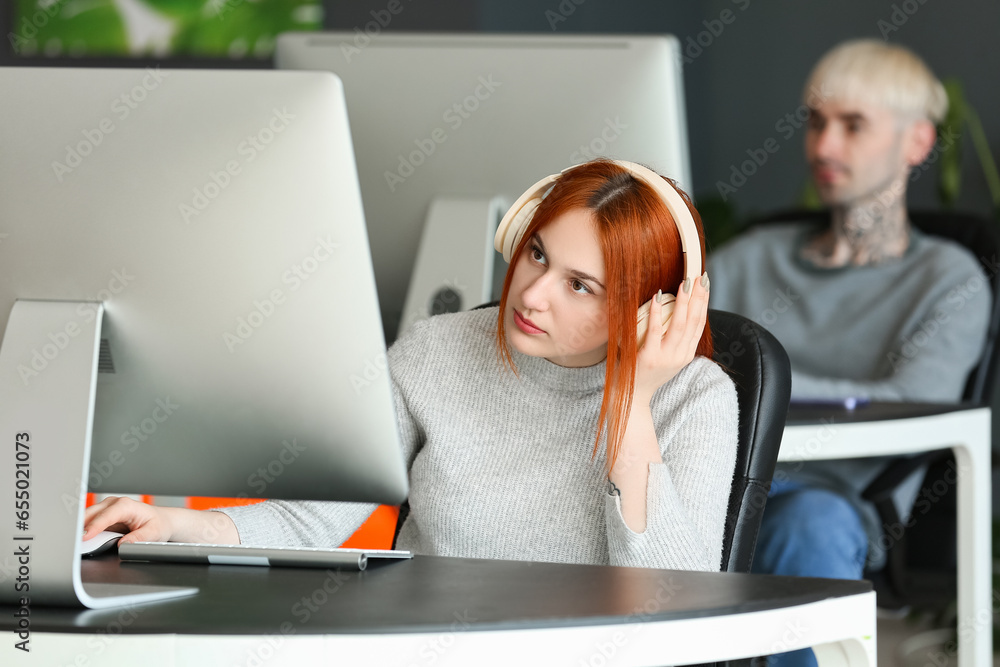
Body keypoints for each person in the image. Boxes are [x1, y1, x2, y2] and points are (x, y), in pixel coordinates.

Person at [84, 159, 740, 573]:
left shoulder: (697, 399)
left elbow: (673, 592)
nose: (532, 293)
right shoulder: (437, 350)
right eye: (537, 254)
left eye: (580, 284)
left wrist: (632, 401)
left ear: (649, 308)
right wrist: (177, 525)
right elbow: (320, 517)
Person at [707, 40, 991, 665]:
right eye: (815, 122)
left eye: (852, 125)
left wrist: (752, 381)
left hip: (826, 497)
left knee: (809, 527)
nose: (824, 146)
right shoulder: (748, 257)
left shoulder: (949, 279)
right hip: (703, 480)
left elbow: (910, 405)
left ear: (918, 143)